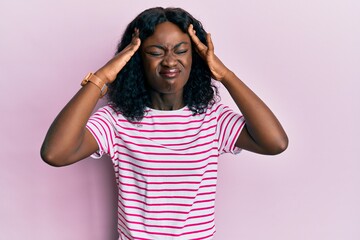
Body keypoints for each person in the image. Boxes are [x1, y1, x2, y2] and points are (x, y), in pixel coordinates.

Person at [41, 7, 288, 240]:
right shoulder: (116, 121)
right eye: (156, 52)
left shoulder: (213, 118)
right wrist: (103, 76)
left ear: (196, 57)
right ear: (136, 59)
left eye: (181, 50)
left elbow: (275, 143)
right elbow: (55, 153)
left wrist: (225, 75)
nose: (170, 61)